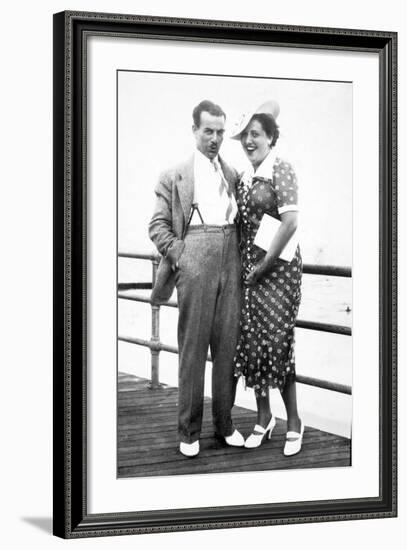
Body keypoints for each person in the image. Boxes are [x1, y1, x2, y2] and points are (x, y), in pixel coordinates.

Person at [149, 100, 244, 458]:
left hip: (230, 255)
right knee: (193, 348)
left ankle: (224, 424)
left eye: (220, 132)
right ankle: (188, 431)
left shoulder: (232, 174)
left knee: (227, 347)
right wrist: (181, 253)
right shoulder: (173, 175)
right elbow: (156, 226)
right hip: (195, 255)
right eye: (209, 131)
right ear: (194, 131)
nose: (215, 138)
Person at [230, 99, 304, 456]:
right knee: (253, 341)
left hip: (279, 272)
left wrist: (264, 266)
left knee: (278, 342)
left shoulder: (281, 169)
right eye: (245, 135)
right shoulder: (244, 176)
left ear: (271, 138)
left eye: (255, 134)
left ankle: (294, 422)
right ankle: (263, 418)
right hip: (251, 272)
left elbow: (290, 223)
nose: (249, 141)